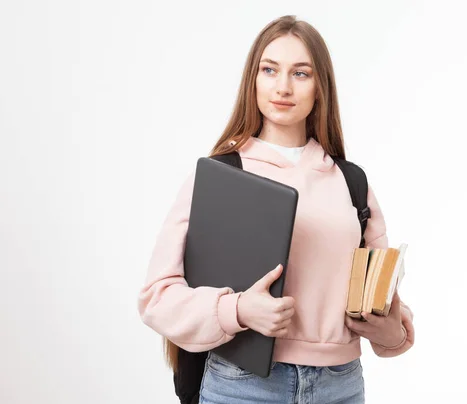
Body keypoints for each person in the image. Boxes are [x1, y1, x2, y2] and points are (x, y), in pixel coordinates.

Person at [138, 14, 415, 404]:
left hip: (341, 386)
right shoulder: (220, 174)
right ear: (254, 79)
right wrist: (238, 310)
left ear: (321, 87)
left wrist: (389, 331)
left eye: (301, 73)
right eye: (270, 70)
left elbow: (391, 320)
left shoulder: (352, 182)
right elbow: (157, 298)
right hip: (243, 386)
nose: (283, 86)